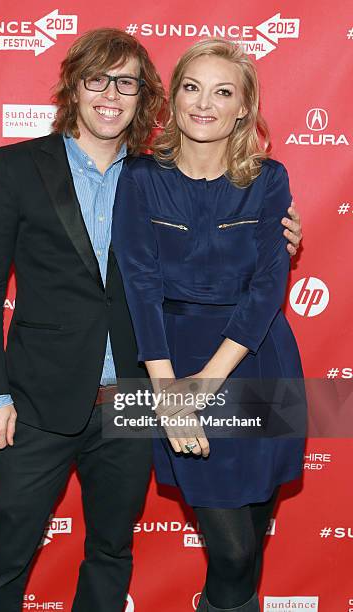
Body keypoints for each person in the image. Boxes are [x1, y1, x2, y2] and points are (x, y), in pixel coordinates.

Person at [0, 29, 302, 611]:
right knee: (7, 548)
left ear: (144, 95)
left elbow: (245, 264)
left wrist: (278, 239)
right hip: (52, 392)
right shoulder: (26, 166)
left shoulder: (162, 173)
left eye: (126, 82)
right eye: (98, 79)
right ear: (74, 85)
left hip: (145, 390)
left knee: (124, 548)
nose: (111, 95)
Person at [112, 38, 306, 612]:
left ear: (244, 107)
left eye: (223, 92)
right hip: (174, 358)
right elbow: (140, 288)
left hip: (260, 357)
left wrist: (207, 382)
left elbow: (269, 286)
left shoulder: (269, 179)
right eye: (192, 88)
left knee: (251, 541)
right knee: (232, 552)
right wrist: (172, 391)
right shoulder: (141, 178)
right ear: (173, 98)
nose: (205, 104)